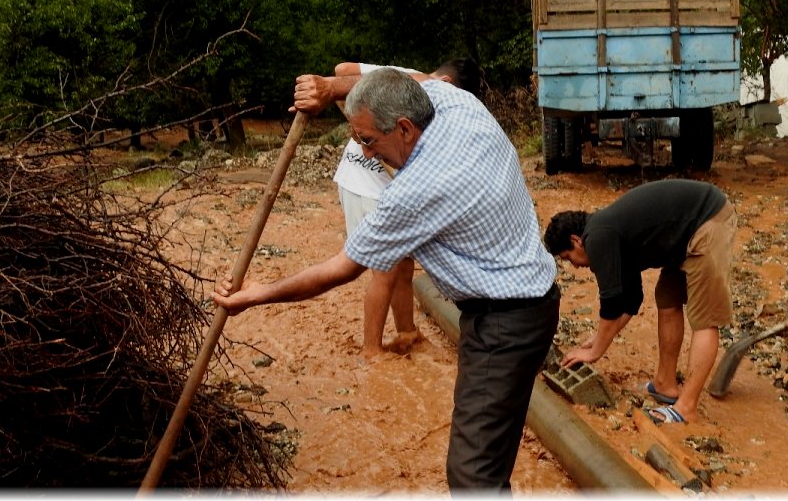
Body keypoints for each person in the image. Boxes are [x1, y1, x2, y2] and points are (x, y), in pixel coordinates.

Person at [215, 68, 559, 491]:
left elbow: (340, 269)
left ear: (404, 127)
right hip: (533, 295)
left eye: (368, 140)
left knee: (473, 476)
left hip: (504, 325)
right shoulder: (455, 103)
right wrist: (329, 88)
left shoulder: (415, 191)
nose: (366, 151)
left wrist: (256, 294)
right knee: (487, 460)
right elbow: (414, 75)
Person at [542, 179, 737, 426]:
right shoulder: (612, 235)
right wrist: (600, 338)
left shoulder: (598, 237)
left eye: (568, 257)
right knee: (667, 300)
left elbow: (611, 302)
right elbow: (630, 301)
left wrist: (596, 351)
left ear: (576, 240)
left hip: (707, 221)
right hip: (682, 234)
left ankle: (686, 408)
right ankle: (665, 385)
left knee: (705, 320)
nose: (576, 266)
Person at [325, 58, 484, 357]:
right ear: (447, 85)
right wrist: (360, 131)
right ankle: (372, 350)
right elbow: (343, 71)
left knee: (403, 265)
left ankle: (406, 331)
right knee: (383, 270)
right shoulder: (404, 81)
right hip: (365, 183)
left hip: (381, 184)